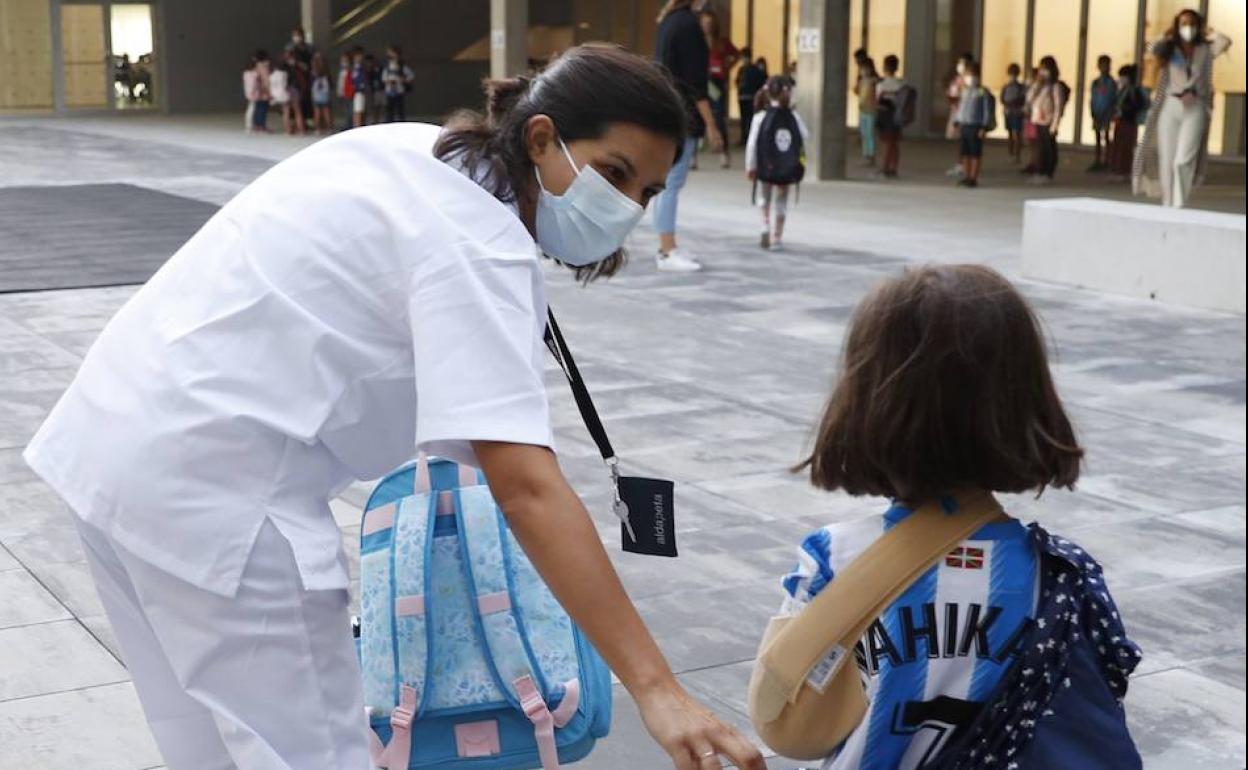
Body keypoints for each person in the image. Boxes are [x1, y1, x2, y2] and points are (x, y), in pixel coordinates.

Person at [23, 44, 766, 770]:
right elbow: (527, 487)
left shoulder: (415, 150)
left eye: (644, 191)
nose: (628, 206)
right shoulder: (480, 241)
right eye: (613, 173)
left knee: (204, 746)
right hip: (220, 497)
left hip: (109, 446)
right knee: (316, 751)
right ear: (541, 139)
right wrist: (658, 689)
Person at [781, 264, 1142, 770]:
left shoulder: (832, 560)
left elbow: (790, 722)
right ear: (1025, 401)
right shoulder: (1062, 578)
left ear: (861, 403)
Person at [1134, 8, 1233, 208]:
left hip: (1195, 105)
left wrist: (1209, 31)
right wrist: (1166, 34)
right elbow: (1150, 47)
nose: (1187, 28)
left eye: (1191, 24)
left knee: (1183, 159)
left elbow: (1225, 42)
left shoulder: (1205, 50)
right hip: (1171, 105)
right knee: (1167, 158)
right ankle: (1167, 202)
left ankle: (1179, 203)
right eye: (1183, 24)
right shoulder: (1170, 49)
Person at [653, 0, 724, 272]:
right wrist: (712, 126)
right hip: (683, 116)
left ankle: (666, 246)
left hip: (667, 110)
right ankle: (667, 249)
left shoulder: (668, 21)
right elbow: (696, 85)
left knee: (667, 184)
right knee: (671, 183)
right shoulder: (688, 26)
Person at [746, 75, 809, 250]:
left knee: (764, 198)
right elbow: (805, 135)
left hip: (765, 165)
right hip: (786, 166)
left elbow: (752, 144)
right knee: (781, 201)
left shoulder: (760, 117)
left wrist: (751, 166)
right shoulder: (793, 116)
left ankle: (765, 224)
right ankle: (777, 238)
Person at [701, 8, 738, 169]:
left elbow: (736, 54)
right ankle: (694, 154)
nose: (707, 26)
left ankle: (724, 152)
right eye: (704, 23)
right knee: (696, 116)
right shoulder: (697, 40)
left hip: (716, 82)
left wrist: (727, 67)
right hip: (701, 80)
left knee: (718, 116)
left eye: (710, 23)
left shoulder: (721, 42)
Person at [1026, 56, 1067, 185]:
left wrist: (1054, 125)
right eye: (1042, 68)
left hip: (1048, 121)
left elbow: (1058, 107)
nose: (1043, 72)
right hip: (1037, 119)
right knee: (1040, 147)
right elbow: (1029, 98)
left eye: (1046, 69)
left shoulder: (1056, 86)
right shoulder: (1039, 85)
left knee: (1049, 147)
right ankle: (1040, 171)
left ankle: (1048, 172)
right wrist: (1037, 83)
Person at [953, 61, 994, 188]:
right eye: (968, 74)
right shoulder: (964, 91)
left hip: (976, 125)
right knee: (965, 152)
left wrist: (984, 127)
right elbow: (960, 108)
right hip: (964, 124)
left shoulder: (982, 91)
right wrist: (957, 121)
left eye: (972, 74)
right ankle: (966, 175)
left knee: (975, 152)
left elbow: (987, 110)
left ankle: (973, 177)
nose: (970, 77)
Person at [1108, 64, 1146, 180]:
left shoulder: (1134, 91)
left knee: (1126, 147)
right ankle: (1117, 170)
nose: (1121, 79)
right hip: (1120, 121)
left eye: (1123, 76)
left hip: (1129, 122)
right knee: (1118, 146)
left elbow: (1138, 105)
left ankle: (1124, 171)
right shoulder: (1122, 89)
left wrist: (1125, 108)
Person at [875, 54, 906, 179]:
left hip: (885, 115)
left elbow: (876, 102)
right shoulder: (901, 84)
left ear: (884, 67)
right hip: (897, 115)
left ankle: (885, 167)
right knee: (894, 143)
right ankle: (894, 167)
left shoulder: (881, 85)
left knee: (887, 143)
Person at [945, 53, 975, 177]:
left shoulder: (970, 79)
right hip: (956, 110)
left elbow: (967, 94)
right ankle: (962, 163)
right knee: (960, 139)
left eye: (962, 63)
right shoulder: (958, 78)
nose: (960, 66)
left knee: (965, 139)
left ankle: (965, 165)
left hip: (964, 112)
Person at [1088, 54, 1118, 171]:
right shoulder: (1095, 82)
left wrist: (1110, 112)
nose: (1104, 67)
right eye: (1102, 65)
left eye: (1106, 65)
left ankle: (1107, 161)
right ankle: (1097, 160)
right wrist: (1092, 110)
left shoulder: (1111, 83)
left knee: (1106, 136)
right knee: (1097, 136)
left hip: (1107, 112)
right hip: (1097, 112)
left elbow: (1112, 98)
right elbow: (1093, 98)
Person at [735, 48, 767, 146]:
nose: (743, 59)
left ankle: (749, 138)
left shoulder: (753, 69)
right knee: (744, 119)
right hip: (743, 97)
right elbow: (737, 81)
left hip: (750, 97)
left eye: (743, 57)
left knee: (750, 119)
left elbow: (760, 82)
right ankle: (744, 137)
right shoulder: (741, 70)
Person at [854, 57, 879, 167]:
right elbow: (856, 91)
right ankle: (865, 154)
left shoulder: (874, 81)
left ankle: (871, 155)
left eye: (866, 69)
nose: (864, 71)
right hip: (862, 110)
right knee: (864, 133)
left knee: (870, 134)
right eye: (862, 69)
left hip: (871, 110)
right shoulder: (861, 81)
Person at [1001, 62, 1027, 163]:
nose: (1012, 75)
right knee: (1010, 133)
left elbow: (1023, 98)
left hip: (1017, 112)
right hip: (1008, 112)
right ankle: (1011, 153)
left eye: (1014, 73)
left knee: (1017, 134)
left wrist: (1014, 102)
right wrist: (1006, 103)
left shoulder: (1021, 87)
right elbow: (1002, 98)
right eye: (1011, 73)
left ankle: (1017, 155)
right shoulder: (1006, 86)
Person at [382, 45, 415, 123]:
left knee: (400, 111)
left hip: (399, 91)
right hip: (389, 91)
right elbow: (383, 78)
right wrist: (388, 81)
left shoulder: (402, 66)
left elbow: (411, 76)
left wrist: (403, 80)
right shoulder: (387, 66)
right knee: (390, 112)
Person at [282, 49, 308, 136]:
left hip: (286, 89)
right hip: (295, 89)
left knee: (286, 110)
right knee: (297, 110)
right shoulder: (298, 65)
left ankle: (288, 130)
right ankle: (301, 130)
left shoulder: (283, 65)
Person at [310, 52, 333, 135]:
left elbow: (310, 83)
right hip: (325, 92)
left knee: (317, 112)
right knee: (326, 111)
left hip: (316, 93)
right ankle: (329, 128)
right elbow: (330, 83)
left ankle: (318, 129)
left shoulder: (313, 71)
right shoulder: (326, 70)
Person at [250, 50, 272, 134]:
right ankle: (261, 126)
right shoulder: (264, 66)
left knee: (257, 107)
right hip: (263, 90)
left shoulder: (255, 66)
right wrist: (267, 90)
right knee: (263, 108)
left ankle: (256, 125)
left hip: (257, 90)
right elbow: (266, 79)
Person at [350, 48, 369, 128]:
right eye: (358, 56)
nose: (360, 58)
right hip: (357, 91)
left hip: (361, 91)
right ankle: (357, 127)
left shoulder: (361, 67)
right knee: (358, 110)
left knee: (361, 110)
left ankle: (359, 126)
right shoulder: (354, 68)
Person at [242, 55, 261, 133]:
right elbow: (255, 83)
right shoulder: (255, 73)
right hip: (254, 92)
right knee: (252, 109)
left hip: (248, 91)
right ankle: (250, 125)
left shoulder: (245, 73)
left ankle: (249, 125)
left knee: (250, 108)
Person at [336, 51, 354, 131]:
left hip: (349, 92)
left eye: (345, 60)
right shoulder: (341, 71)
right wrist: (339, 91)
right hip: (343, 92)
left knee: (350, 109)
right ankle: (347, 123)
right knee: (346, 109)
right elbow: (340, 82)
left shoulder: (351, 70)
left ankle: (350, 124)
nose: (343, 62)